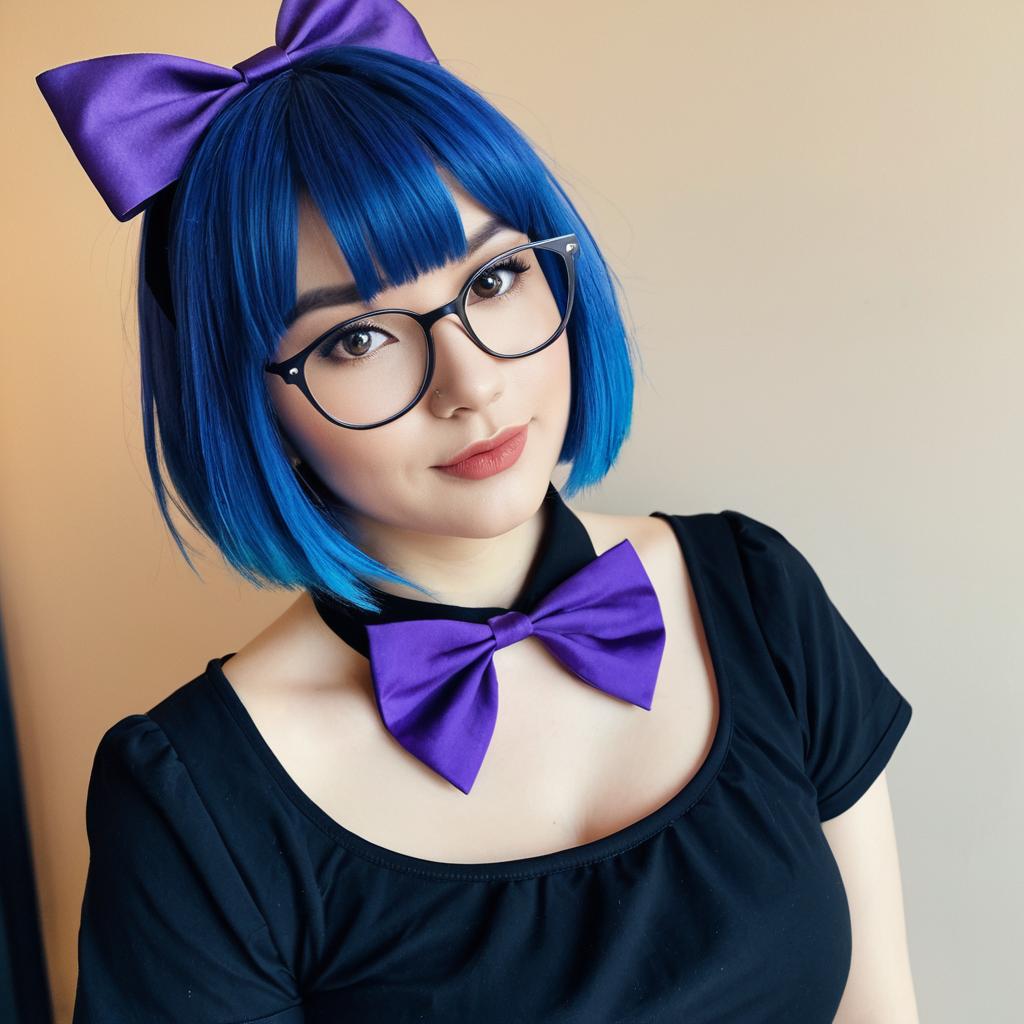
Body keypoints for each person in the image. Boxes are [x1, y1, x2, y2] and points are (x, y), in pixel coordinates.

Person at [37, 2, 917, 1021]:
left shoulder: (756, 597)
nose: (472, 384)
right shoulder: (196, 802)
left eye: (496, 276)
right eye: (356, 340)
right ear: (250, 405)